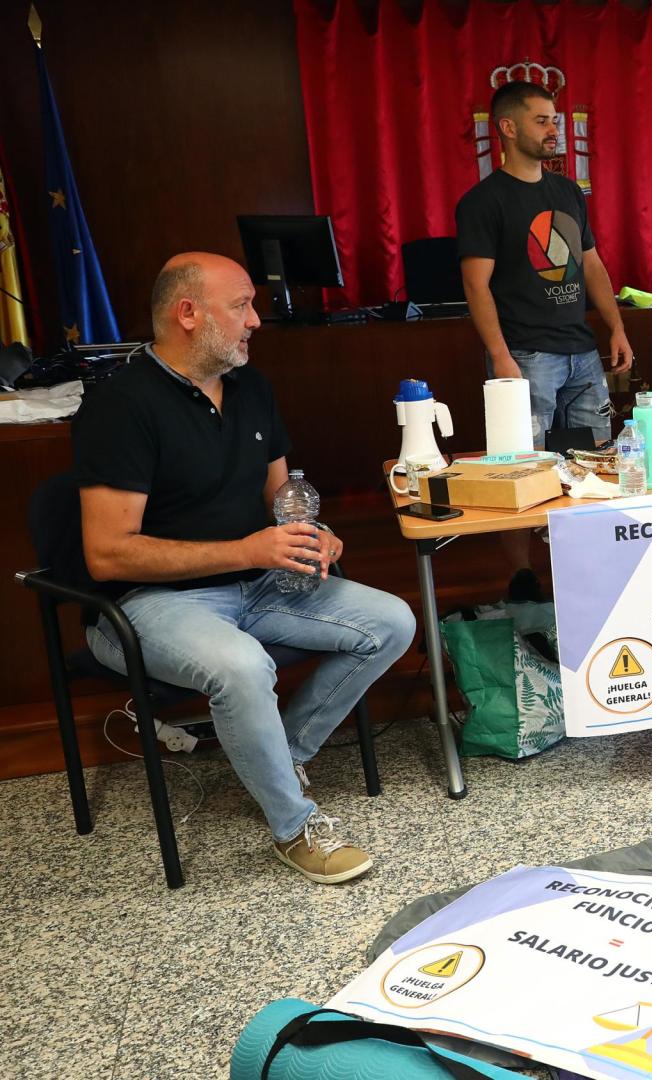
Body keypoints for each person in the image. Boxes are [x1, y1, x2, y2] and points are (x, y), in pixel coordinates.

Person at [70, 253, 416, 883]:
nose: (256, 320)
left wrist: (315, 534)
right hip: (151, 602)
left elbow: (281, 500)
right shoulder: (122, 405)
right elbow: (107, 552)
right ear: (188, 314)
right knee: (241, 665)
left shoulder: (251, 386)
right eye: (241, 306)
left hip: (258, 583)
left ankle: (279, 756)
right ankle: (292, 826)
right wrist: (250, 551)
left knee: (391, 621)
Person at [457, 80, 633, 582]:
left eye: (555, 119)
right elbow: (477, 287)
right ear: (508, 128)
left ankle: (592, 571)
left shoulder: (567, 192)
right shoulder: (483, 202)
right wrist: (501, 357)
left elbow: (593, 266)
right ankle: (523, 578)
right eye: (542, 120)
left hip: (581, 351)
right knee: (521, 471)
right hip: (525, 356)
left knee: (595, 463)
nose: (554, 129)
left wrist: (615, 327)